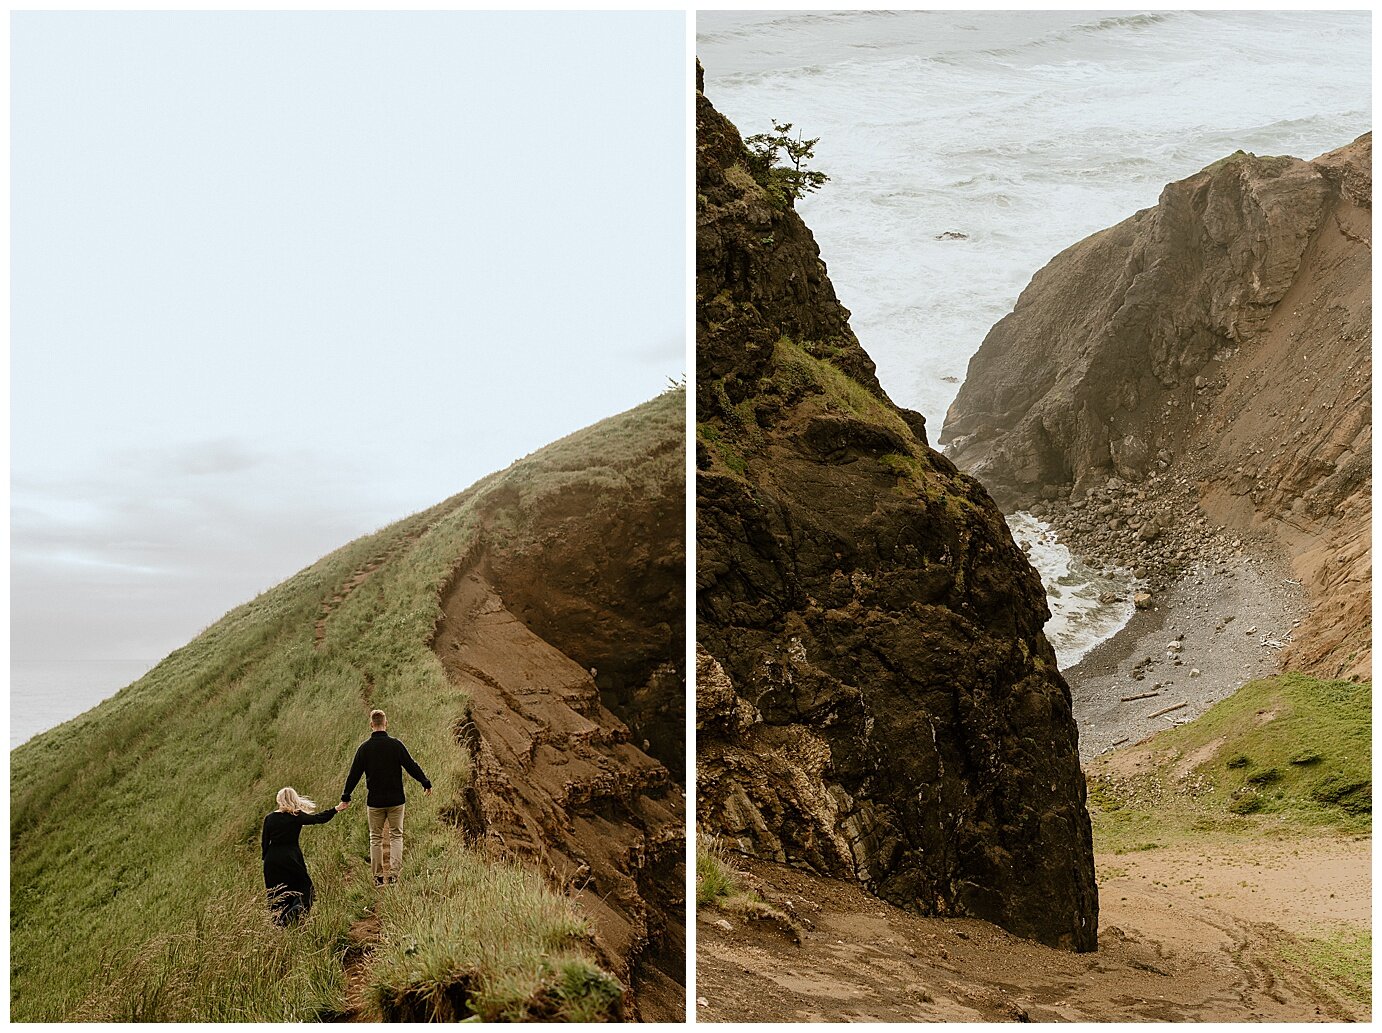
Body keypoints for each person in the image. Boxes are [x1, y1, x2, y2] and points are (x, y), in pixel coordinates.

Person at [340, 709, 431, 887]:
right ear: (386, 723)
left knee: (375, 838)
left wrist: (346, 796)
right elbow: (411, 765)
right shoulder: (396, 745)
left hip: (375, 802)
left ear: (371, 725)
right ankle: (395, 875)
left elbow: (354, 775)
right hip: (396, 800)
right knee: (396, 836)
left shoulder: (364, 749)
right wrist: (425, 782)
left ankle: (379, 877)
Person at [262, 787, 346, 926]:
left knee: (277, 894)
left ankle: (279, 924)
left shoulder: (269, 818)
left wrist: (266, 859)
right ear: (294, 799)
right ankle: (294, 915)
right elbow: (318, 818)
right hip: (291, 857)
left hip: (272, 859)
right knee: (303, 888)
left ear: (279, 800)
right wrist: (336, 809)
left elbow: (264, 842)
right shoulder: (296, 816)